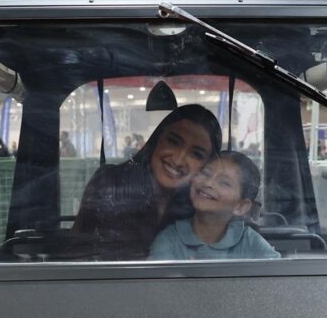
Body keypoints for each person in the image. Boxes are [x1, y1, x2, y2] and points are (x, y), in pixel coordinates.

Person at [73, 104, 223, 259]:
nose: (178, 160)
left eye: (196, 154)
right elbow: (78, 255)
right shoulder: (109, 183)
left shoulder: (200, 206)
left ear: (206, 165)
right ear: (156, 141)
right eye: (173, 141)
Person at [149, 151, 279, 261]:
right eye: (205, 173)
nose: (209, 183)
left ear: (241, 206)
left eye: (224, 183)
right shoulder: (169, 239)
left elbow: (278, 281)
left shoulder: (251, 243)